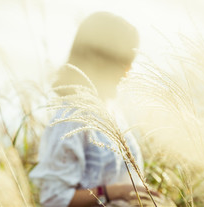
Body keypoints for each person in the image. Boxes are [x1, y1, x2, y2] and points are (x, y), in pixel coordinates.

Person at [30, 12, 160, 207]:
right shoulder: (70, 119)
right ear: (100, 59)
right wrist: (115, 192)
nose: (128, 70)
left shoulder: (112, 112)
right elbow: (53, 199)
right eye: (123, 61)